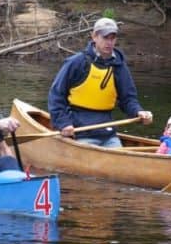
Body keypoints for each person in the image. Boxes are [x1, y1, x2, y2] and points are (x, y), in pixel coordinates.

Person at [47, 17, 153, 148]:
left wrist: (138, 112)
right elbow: (56, 96)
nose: (109, 42)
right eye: (105, 37)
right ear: (94, 36)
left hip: (107, 132)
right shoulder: (76, 63)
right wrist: (63, 123)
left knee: (118, 156)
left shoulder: (119, 66)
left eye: (112, 38)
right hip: (79, 131)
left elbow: (128, 99)